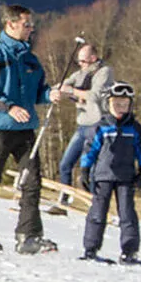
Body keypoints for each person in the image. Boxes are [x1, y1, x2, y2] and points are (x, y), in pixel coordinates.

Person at [0, 4, 63, 254]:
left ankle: (28, 236)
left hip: (26, 128)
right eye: (26, 24)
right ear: (10, 24)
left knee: (32, 182)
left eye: (31, 24)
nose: (31, 29)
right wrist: (7, 107)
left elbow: (37, 90)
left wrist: (49, 94)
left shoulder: (31, 59)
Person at [79, 82, 141, 264]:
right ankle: (91, 248)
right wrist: (84, 170)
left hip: (126, 177)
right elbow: (90, 150)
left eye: (124, 105)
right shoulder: (101, 127)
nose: (120, 108)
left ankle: (130, 250)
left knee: (127, 214)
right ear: (107, 104)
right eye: (116, 104)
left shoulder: (135, 129)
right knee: (97, 213)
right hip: (102, 177)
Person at [56, 43, 114, 203]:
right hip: (82, 125)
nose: (80, 65)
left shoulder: (104, 72)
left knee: (91, 168)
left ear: (93, 59)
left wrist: (72, 91)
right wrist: (57, 91)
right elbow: (63, 85)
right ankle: (64, 199)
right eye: (78, 61)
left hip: (98, 125)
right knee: (65, 164)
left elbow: (94, 96)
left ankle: (97, 202)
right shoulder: (80, 73)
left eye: (83, 61)